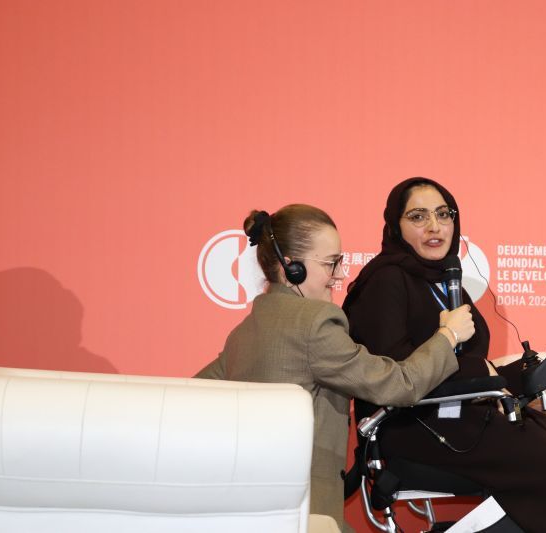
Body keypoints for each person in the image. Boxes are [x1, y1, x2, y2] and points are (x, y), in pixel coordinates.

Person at [342, 178, 546, 533]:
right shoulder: (385, 282)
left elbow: (469, 369)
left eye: (443, 214)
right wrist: (472, 359)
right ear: (396, 226)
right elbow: (395, 371)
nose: (434, 226)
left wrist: (522, 375)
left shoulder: (448, 281)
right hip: (412, 425)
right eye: (418, 216)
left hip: (463, 415)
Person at [195, 204, 478, 532]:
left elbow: (194, 393)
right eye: (332, 263)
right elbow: (399, 384)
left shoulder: (242, 334)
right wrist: (448, 335)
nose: (341, 274)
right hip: (307, 514)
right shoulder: (315, 323)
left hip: (255, 512)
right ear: (292, 268)